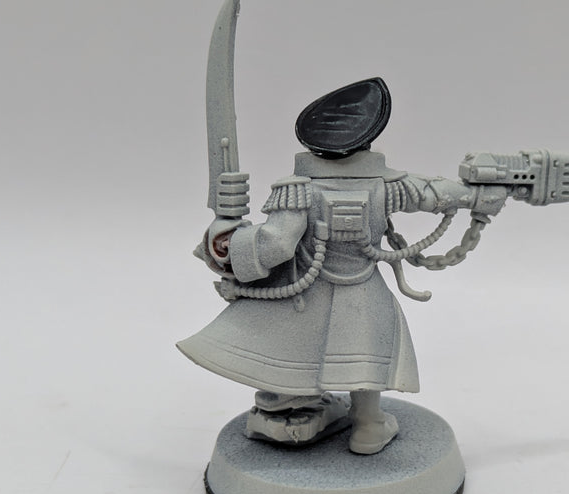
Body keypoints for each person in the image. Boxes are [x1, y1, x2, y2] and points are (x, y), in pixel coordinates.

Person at [177, 78, 507, 454]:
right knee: (367, 347)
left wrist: (229, 244)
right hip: (362, 287)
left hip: (305, 291)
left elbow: (277, 245)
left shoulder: (296, 189)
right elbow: (435, 193)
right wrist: (477, 195)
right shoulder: (388, 187)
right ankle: (368, 424)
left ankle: (293, 406)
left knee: (291, 343)